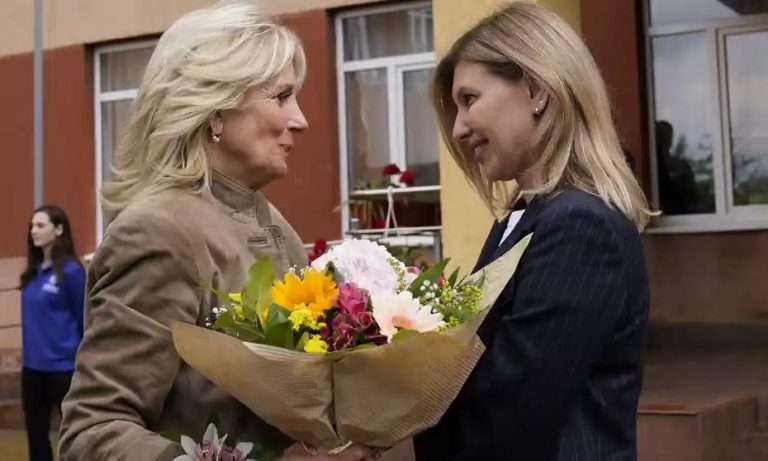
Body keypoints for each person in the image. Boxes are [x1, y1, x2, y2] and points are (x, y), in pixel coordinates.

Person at [58, 2, 370, 461]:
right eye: (282, 97)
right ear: (216, 109)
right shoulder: (158, 231)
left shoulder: (273, 223)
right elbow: (92, 433)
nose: (300, 121)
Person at [414, 3, 653, 461]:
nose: (459, 129)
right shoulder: (523, 219)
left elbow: (513, 412)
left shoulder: (580, 226)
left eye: (469, 100)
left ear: (536, 89)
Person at [19, 205, 85, 461]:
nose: (33, 231)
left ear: (58, 230)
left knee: (76, 435)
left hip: (64, 369)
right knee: (36, 437)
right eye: (32, 226)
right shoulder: (31, 274)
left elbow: (84, 318)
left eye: (40, 225)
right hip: (32, 370)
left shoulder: (71, 272)